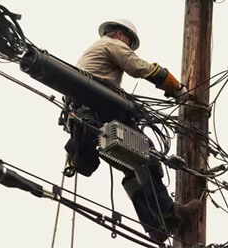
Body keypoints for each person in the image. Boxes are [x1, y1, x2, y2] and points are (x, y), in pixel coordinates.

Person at [64, 18, 199, 242]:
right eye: (129, 41)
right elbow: (139, 67)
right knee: (150, 157)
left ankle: (155, 225)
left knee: (134, 167)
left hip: (88, 120)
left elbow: (107, 86)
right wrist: (176, 88)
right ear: (120, 34)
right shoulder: (112, 44)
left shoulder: (93, 55)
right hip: (99, 112)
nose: (128, 46)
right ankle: (167, 212)